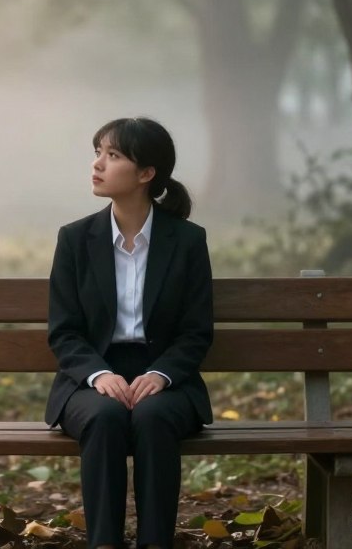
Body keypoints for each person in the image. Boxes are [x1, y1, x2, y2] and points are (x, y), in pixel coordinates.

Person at [45, 117, 214, 549]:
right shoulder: (76, 239)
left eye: (113, 155)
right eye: (98, 151)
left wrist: (161, 375)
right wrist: (99, 376)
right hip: (91, 378)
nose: (97, 164)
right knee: (105, 419)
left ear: (146, 174)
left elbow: (196, 331)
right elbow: (64, 332)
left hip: (165, 377)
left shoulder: (188, 241)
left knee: (154, 418)